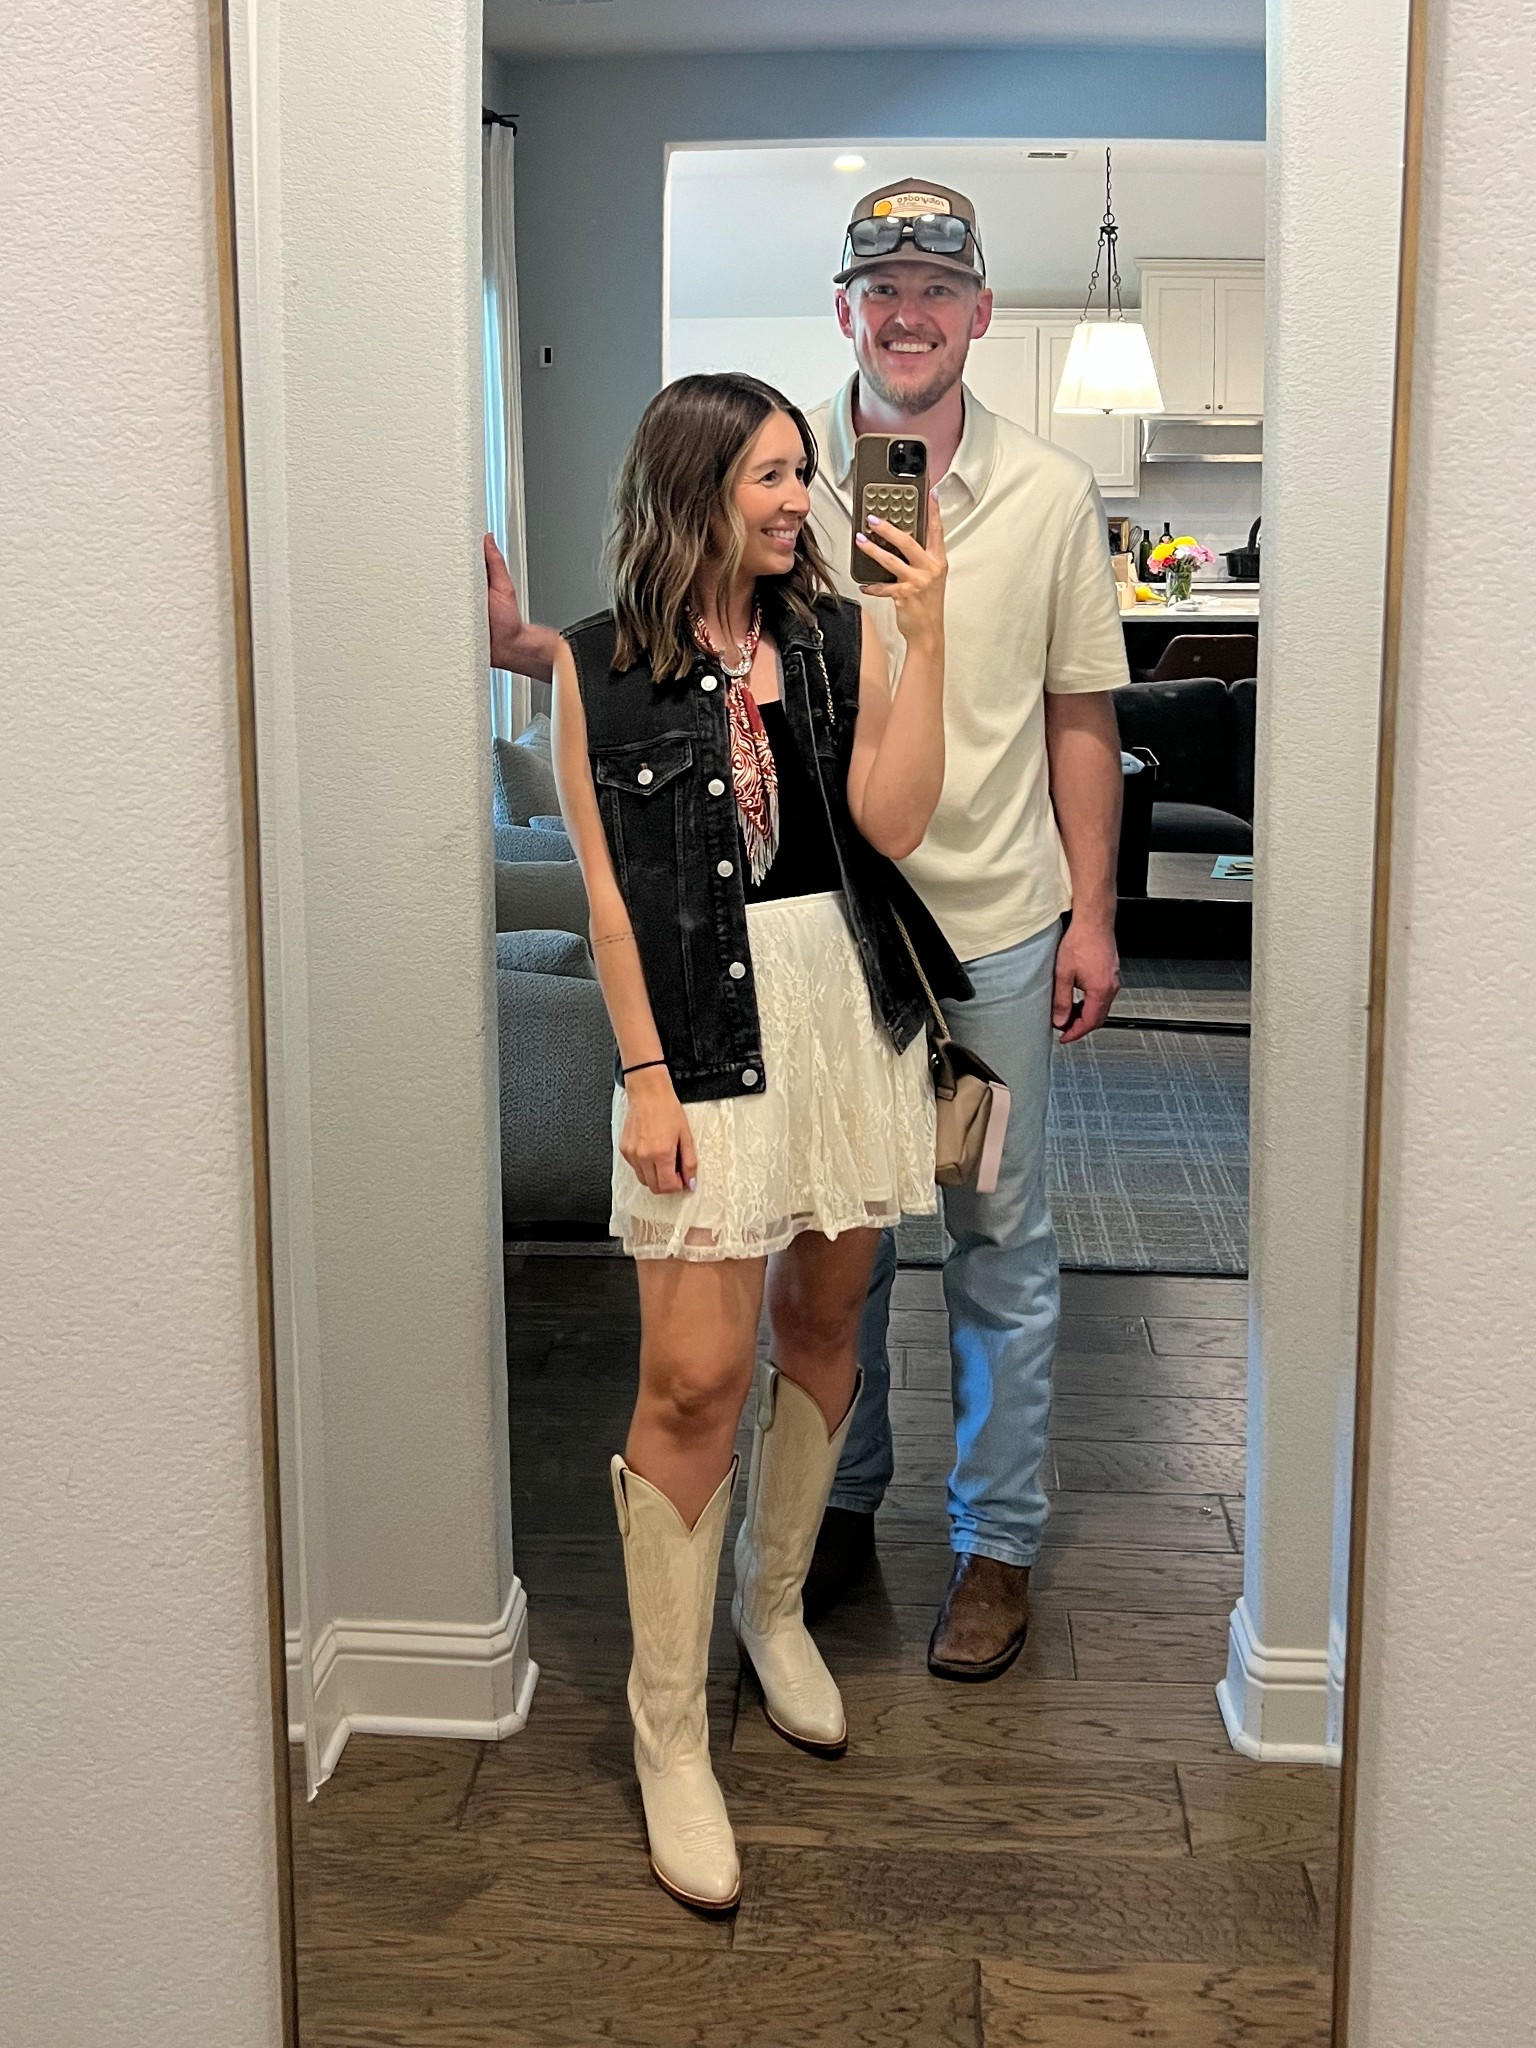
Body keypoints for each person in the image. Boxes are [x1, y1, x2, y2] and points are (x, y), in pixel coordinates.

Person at [544, 372, 962, 1913]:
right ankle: (668, 1729)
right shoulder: (595, 667)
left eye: (805, 474)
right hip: (699, 1046)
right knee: (694, 1380)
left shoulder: (844, 636)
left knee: (826, 1322)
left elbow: (898, 824)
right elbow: (602, 896)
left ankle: (774, 1612)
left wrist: (930, 628)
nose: (800, 502)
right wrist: (645, 1078)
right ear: (692, 483)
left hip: (842, 1018)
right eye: (771, 477)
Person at [790, 176, 1128, 1678]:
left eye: (938, 286)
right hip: (826, 941)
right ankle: (836, 1507)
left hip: (994, 936)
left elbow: (1079, 717)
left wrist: (1095, 918)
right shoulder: (779, 479)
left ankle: (995, 1546)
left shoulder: (1052, 494)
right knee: (833, 1244)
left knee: (1001, 1242)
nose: (909, 312)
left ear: (981, 313)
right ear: (847, 311)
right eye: (884, 289)